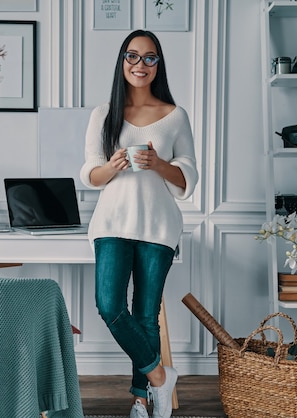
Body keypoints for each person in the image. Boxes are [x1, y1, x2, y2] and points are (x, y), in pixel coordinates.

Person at [80, 30, 198, 418]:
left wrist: (159, 164)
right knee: (109, 304)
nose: (140, 65)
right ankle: (162, 378)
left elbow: (188, 179)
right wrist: (110, 167)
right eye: (133, 56)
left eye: (150, 58)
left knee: (146, 314)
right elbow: (89, 174)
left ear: (158, 65)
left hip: (159, 227)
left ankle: (142, 400)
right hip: (112, 223)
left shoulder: (175, 115)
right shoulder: (104, 113)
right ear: (122, 61)